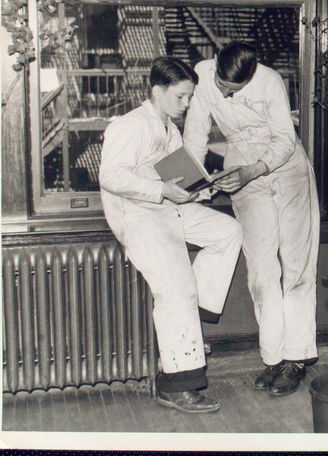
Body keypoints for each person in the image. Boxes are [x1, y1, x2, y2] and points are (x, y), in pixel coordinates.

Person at [99, 57, 243, 414]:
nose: (187, 104)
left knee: (228, 231)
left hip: (168, 206)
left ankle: (191, 316)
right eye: (180, 97)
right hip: (139, 216)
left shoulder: (168, 127)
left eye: (190, 97)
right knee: (176, 287)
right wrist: (161, 189)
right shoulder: (131, 125)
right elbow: (110, 177)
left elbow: (177, 176)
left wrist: (203, 188)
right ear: (157, 91)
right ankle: (177, 385)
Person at [183, 41, 320, 397]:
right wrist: (188, 188)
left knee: (297, 267)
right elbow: (195, 137)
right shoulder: (200, 77)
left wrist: (254, 171)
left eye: (236, 90)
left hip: (285, 168)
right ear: (214, 65)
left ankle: (298, 358)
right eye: (224, 87)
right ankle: (273, 357)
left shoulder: (271, 80)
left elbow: (285, 138)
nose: (227, 94)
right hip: (241, 167)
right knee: (261, 272)